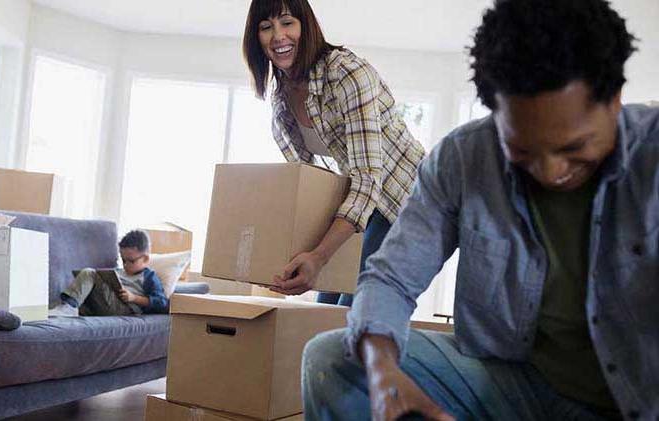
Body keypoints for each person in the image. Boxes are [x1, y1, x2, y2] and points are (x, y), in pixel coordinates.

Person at [301, 0, 658, 419]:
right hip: (515, 383)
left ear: (614, 99)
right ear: (496, 113)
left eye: (573, 148)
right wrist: (383, 375)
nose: (550, 172)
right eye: (522, 149)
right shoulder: (462, 157)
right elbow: (390, 279)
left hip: (634, 398)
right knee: (331, 360)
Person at [242, 0, 426, 306]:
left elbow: (368, 178)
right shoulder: (281, 103)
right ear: (256, 38)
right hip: (358, 208)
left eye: (287, 23)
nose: (278, 36)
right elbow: (308, 188)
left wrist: (319, 256)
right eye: (266, 27)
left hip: (404, 204)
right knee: (322, 311)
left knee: (348, 316)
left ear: (305, 25)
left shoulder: (347, 73)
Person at [53, 230, 169, 316]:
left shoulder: (148, 277)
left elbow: (162, 303)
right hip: (105, 304)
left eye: (131, 261)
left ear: (145, 259)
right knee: (87, 287)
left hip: (125, 309)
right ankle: (66, 309)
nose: (125, 265)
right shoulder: (119, 271)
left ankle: (69, 307)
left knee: (89, 273)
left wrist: (134, 298)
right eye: (123, 260)